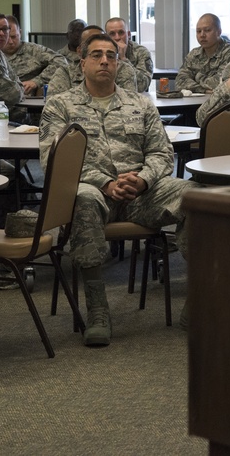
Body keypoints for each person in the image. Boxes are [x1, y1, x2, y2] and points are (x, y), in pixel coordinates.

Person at [40, 33, 196, 346]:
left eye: (111, 55)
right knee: (84, 196)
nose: (105, 61)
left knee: (197, 196)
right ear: (82, 62)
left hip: (142, 194)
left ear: (119, 62)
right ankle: (97, 309)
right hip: (95, 196)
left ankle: (199, 297)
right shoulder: (59, 106)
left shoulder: (140, 103)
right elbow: (53, 161)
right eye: (96, 55)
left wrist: (143, 179)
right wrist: (106, 183)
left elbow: (162, 153)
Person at [46, 25, 141, 96]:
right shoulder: (66, 72)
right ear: (79, 51)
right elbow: (54, 107)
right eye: (96, 54)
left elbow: (130, 107)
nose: (104, 60)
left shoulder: (122, 69)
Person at [3, 16, 68, 119]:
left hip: (25, 111)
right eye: (7, 38)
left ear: (20, 32)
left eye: (14, 36)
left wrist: (36, 81)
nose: (11, 42)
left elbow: (61, 61)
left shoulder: (33, 50)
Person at [175, 13, 230, 93]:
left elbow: (221, 82)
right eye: (198, 31)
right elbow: (180, 81)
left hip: (224, 103)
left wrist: (196, 78)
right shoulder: (194, 54)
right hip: (194, 102)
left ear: (219, 32)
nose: (202, 35)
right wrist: (202, 90)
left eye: (207, 30)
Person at [105, 17, 153, 92]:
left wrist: (123, 59)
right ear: (106, 37)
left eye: (121, 33)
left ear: (128, 35)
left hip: (133, 99)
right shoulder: (101, 54)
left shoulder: (141, 52)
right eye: (112, 34)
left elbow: (142, 85)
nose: (117, 38)